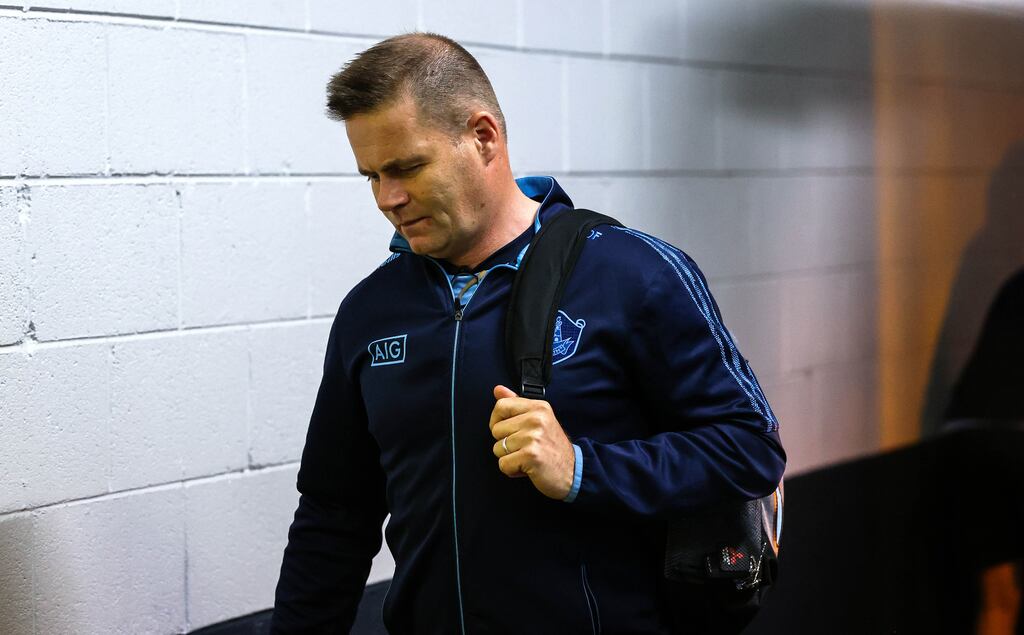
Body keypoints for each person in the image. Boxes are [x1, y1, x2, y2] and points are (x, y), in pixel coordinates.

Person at [271, 32, 786, 635]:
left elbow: (750, 448)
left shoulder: (630, 275)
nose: (390, 198)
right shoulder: (371, 311)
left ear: (483, 138)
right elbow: (335, 516)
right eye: (372, 177)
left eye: (408, 167)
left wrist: (583, 469)